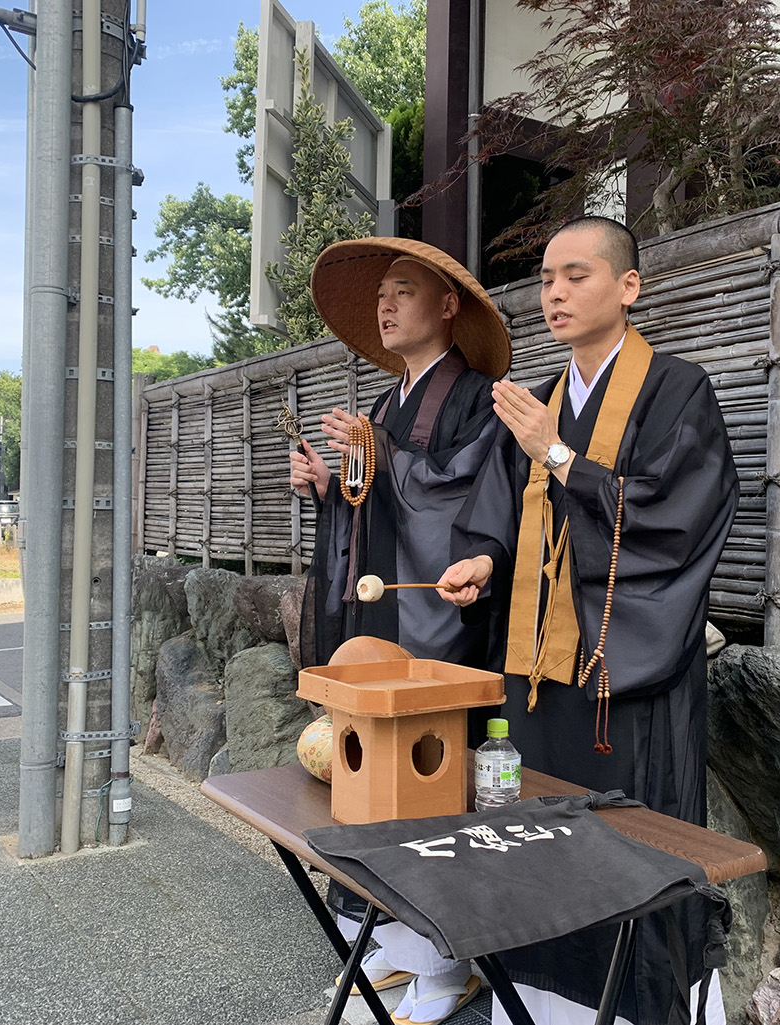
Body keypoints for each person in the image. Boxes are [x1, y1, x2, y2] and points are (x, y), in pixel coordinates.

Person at [439, 216, 740, 1025]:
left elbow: (674, 521)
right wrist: (483, 562)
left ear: (628, 285)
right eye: (545, 279)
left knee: (626, 844)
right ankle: (531, 999)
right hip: (536, 672)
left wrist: (560, 455)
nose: (556, 293)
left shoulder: (679, 389)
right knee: (529, 838)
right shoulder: (535, 401)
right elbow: (501, 514)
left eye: (577, 274)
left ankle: (640, 1006)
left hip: (620, 674)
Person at [289, 237, 511, 1025]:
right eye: (380, 294)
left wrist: (383, 460)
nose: (385, 306)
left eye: (403, 291)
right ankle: (400, 941)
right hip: (383, 609)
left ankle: (451, 957)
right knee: (377, 774)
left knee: (434, 779)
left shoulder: (477, 397)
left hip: (440, 612)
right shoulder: (387, 403)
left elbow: (468, 499)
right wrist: (330, 484)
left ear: (449, 305)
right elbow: (368, 504)